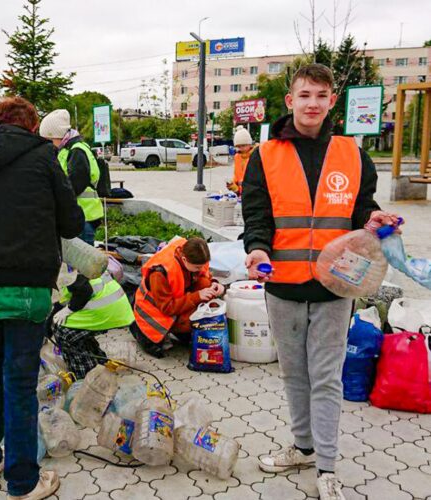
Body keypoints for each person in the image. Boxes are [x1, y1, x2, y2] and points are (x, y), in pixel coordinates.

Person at [242, 63, 401, 500]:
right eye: (304, 95)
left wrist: (375, 219)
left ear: (332, 102)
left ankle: (327, 468)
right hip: (282, 284)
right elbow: (256, 214)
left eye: (321, 95)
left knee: (326, 376)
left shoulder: (352, 154)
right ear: (290, 101)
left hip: (336, 286)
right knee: (295, 374)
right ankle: (303, 447)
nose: (312, 103)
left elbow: (361, 208)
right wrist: (256, 248)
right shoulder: (265, 155)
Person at [0, 96, 84, 500]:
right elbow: (72, 220)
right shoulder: (42, 157)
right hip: (26, 285)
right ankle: (24, 481)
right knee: (19, 381)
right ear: (31, 127)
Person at [130, 237, 225, 358]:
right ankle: (141, 331)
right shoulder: (160, 273)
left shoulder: (195, 254)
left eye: (203, 265)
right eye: (197, 267)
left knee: (205, 285)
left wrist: (215, 284)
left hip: (177, 300)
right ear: (184, 259)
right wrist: (197, 296)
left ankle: (185, 332)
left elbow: (203, 275)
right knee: (193, 319)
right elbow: (168, 308)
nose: (201, 269)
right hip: (155, 314)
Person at [51, 266, 135, 379]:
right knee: (72, 329)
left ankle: (85, 376)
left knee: (64, 332)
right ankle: (99, 362)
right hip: (114, 307)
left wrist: (69, 310)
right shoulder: (69, 258)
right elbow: (59, 305)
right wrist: (47, 329)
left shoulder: (62, 268)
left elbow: (85, 290)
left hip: (106, 308)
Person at [39, 109, 104, 246]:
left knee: (84, 263)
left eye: (49, 140)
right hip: (79, 215)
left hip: (84, 216)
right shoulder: (67, 150)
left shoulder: (77, 151)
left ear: (57, 135)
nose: (48, 144)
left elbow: (73, 185)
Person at [229, 125, 256, 195]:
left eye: (243, 145)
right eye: (238, 146)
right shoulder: (237, 157)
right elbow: (236, 175)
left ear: (249, 144)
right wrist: (233, 185)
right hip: (241, 194)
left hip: (253, 193)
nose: (241, 148)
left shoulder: (256, 156)